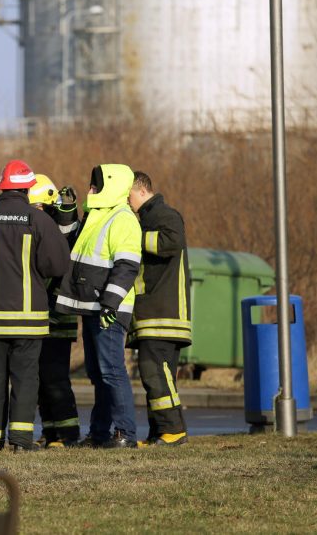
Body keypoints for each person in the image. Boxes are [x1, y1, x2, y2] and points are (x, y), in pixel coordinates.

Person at [0, 160, 70, 452]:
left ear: (2, 187)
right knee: (25, 378)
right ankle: (21, 440)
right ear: (27, 188)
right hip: (29, 319)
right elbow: (58, 264)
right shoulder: (39, 220)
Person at [56, 164, 142, 449]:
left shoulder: (123, 219)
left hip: (109, 309)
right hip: (95, 305)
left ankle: (126, 433)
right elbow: (70, 241)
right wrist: (66, 210)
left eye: (96, 186)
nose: (91, 190)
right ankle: (100, 433)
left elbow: (127, 266)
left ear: (112, 187)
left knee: (111, 370)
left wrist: (109, 304)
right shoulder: (97, 216)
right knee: (98, 372)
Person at [127, 171, 192, 446]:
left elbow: (171, 242)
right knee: (159, 376)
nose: (126, 202)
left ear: (142, 191)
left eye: (127, 196)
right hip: (153, 313)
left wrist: (133, 240)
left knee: (154, 372)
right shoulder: (148, 218)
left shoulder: (165, 215)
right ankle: (160, 433)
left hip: (163, 313)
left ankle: (173, 430)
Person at [28, 175, 82, 448]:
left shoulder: (56, 228)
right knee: (40, 379)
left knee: (55, 377)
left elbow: (68, 233)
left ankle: (68, 434)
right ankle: (50, 433)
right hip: (40, 316)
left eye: (37, 207)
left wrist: (67, 210)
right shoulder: (40, 226)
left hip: (58, 316)